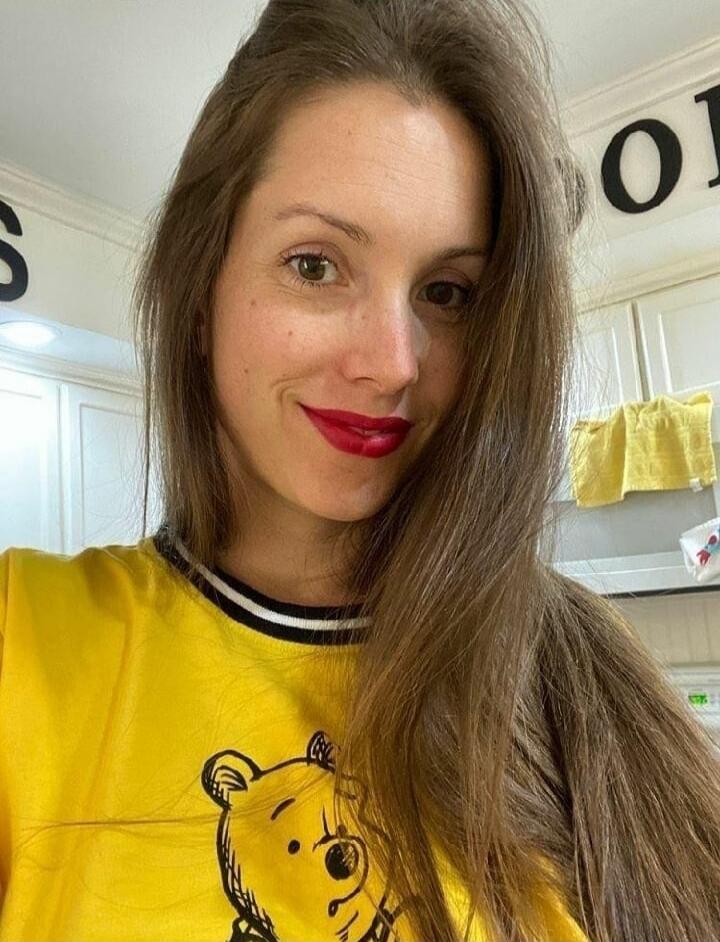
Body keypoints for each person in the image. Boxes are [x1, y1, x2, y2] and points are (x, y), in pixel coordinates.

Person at [1, 0, 719, 939]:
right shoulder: (28, 640)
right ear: (202, 285)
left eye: (447, 292)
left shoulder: (585, 687)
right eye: (314, 264)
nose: (393, 361)